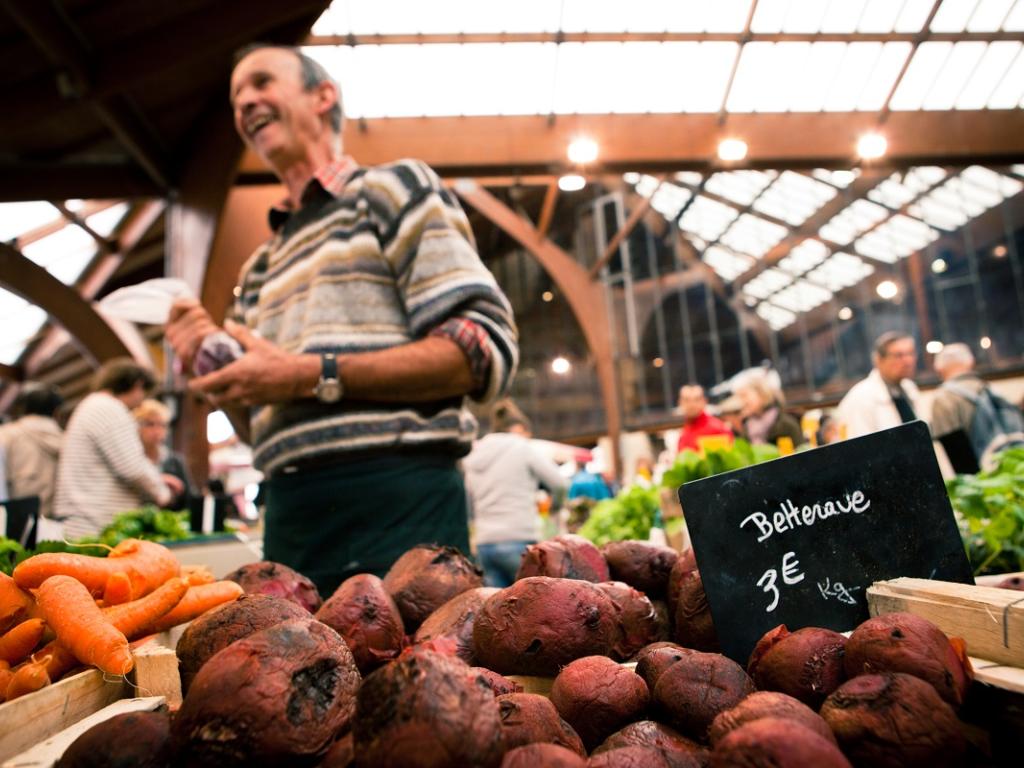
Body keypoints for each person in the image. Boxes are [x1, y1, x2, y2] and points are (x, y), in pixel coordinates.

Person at [165, 44, 518, 595]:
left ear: (323, 95)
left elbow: (481, 348)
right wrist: (212, 365)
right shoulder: (260, 265)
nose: (245, 103)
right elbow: (260, 422)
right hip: (289, 519)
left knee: (426, 679)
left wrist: (311, 372)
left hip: (401, 504)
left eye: (260, 82)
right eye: (236, 97)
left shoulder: (390, 190)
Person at [53, 359, 182, 539]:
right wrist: (163, 493)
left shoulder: (91, 406)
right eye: (144, 393)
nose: (141, 402)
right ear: (138, 385)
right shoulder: (110, 409)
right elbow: (132, 467)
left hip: (85, 519)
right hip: (98, 525)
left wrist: (157, 478)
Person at [463, 400, 567, 587]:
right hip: (518, 540)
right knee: (530, 606)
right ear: (519, 428)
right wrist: (555, 508)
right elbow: (560, 484)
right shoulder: (522, 447)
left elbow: (468, 500)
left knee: (496, 609)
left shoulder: (474, 454)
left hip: (485, 544)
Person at [932, 343, 1024, 473]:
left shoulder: (943, 399)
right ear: (970, 362)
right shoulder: (989, 388)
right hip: (1012, 470)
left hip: (983, 480)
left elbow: (954, 454)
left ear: (939, 369)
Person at [836, 331, 922, 439]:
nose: (908, 361)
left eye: (911, 353)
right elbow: (862, 448)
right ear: (878, 360)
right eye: (898, 355)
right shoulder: (860, 398)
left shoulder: (909, 387)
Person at [0, 383, 64, 519]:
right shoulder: (65, 439)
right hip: (56, 521)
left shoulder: (7, 434)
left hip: (17, 521)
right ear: (56, 411)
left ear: (24, 408)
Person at [133, 399, 193, 510]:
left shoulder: (174, 461)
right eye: (150, 424)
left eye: (162, 425)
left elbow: (187, 500)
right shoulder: (129, 459)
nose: (157, 430)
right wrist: (158, 480)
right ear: (137, 427)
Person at [735, 376, 806, 448]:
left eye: (744, 396)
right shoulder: (746, 428)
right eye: (739, 397)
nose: (741, 402)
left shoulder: (786, 424)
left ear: (761, 394)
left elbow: (803, 452)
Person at [675, 384, 734, 454]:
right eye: (687, 400)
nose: (692, 405)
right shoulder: (684, 430)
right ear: (680, 402)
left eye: (696, 400)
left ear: (704, 401)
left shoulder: (717, 429)